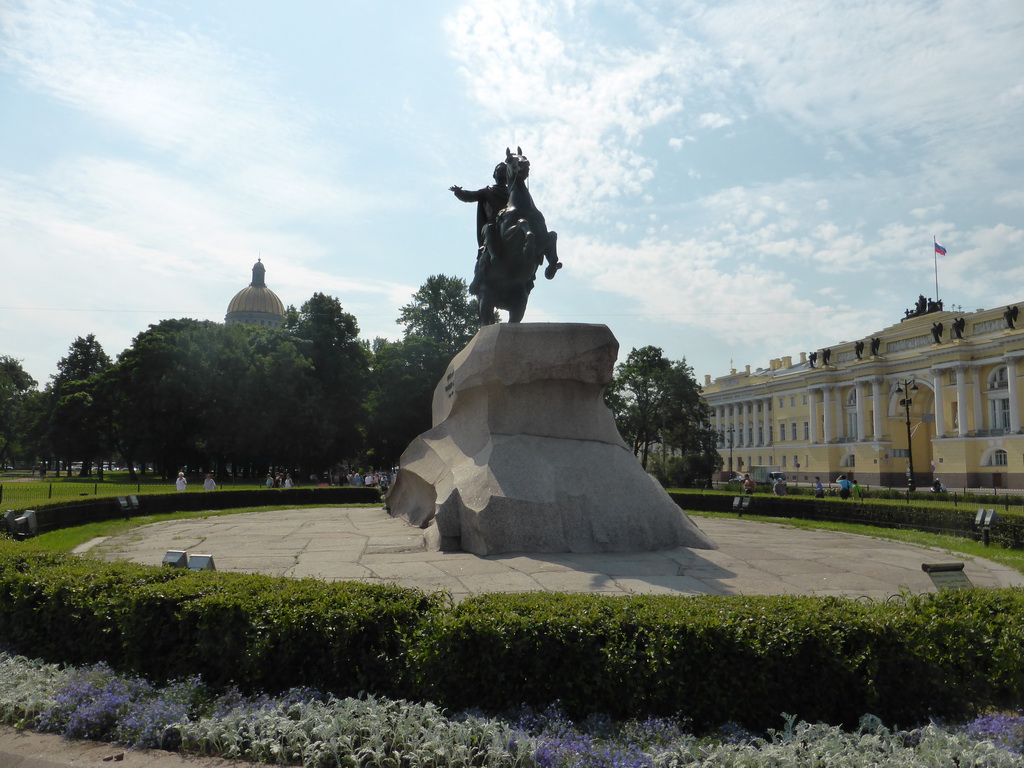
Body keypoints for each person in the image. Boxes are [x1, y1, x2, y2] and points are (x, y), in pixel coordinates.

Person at [449, 161, 509, 295]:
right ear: (494, 174)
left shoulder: (512, 192)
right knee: (490, 228)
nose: (501, 172)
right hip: (491, 225)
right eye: (499, 170)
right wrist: (459, 192)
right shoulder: (488, 191)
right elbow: (471, 196)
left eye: (504, 171)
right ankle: (493, 258)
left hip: (508, 225)